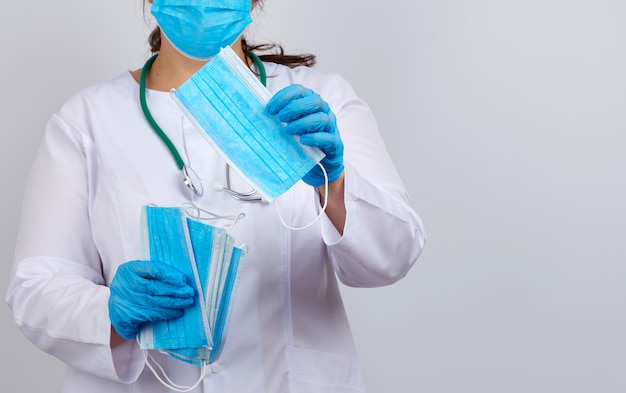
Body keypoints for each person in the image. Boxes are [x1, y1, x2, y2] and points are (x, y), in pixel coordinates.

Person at [6, 0, 425, 392]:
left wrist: (332, 181)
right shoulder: (86, 120)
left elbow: (394, 255)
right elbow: (36, 289)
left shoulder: (319, 102)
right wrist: (110, 313)